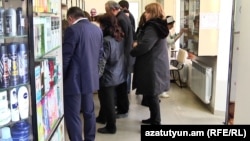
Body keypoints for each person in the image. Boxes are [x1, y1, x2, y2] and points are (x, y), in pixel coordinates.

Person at [63, 7, 103, 141]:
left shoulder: (72, 30)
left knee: (73, 114)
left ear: (70, 18)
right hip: (90, 78)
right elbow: (100, 55)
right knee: (89, 112)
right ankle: (90, 138)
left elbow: (66, 57)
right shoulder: (97, 29)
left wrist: (60, 77)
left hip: (73, 79)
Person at [130, 3, 170, 125]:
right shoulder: (159, 26)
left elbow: (145, 45)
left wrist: (134, 49)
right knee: (152, 94)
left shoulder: (152, 27)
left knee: (152, 94)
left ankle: (156, 121)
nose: (145, 14)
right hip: (156, 62)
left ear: (153, 13)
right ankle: (153, 118)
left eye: (147, 12)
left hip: (153, 65)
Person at [96, 13, 126, 134]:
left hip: (108, 75)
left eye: (100, 24)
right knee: (108, 100)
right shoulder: (119, 37)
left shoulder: (106, 41)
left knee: (107, 102)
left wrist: (96, 76)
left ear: (104, 25)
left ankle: (111, 127)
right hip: (118, 73)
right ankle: (102, 118)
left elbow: (102, 61)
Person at [105, 0, 134, 118]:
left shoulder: (121, 19)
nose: (107, 13)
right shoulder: (123, 16)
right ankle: (122, 108)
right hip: (124, 53)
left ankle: (123, 109)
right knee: (121, 82)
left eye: (107, 11)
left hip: (123, 54)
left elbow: (121, 37)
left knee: (121, 84)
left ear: (112, 9)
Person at [159, 15, 188, 98]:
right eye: (172, 24)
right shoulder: (164, 31)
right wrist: (180, 34)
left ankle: (162, 90)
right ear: (168, 24)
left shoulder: (166, 31)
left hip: (165, 54)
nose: (172, 26)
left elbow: (171, 37)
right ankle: (162, 91)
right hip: (164, 55)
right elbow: (170, 41)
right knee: (163, 73)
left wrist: (179, 33)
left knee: (164, 72)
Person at [118, 0, 136, 94]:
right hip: (129, 46)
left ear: (123, 7)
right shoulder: (128, 16)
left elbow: (128, 32)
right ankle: (127, 89)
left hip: (128, 47)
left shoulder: (125, 16)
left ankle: (127, 89)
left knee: (127, 69)